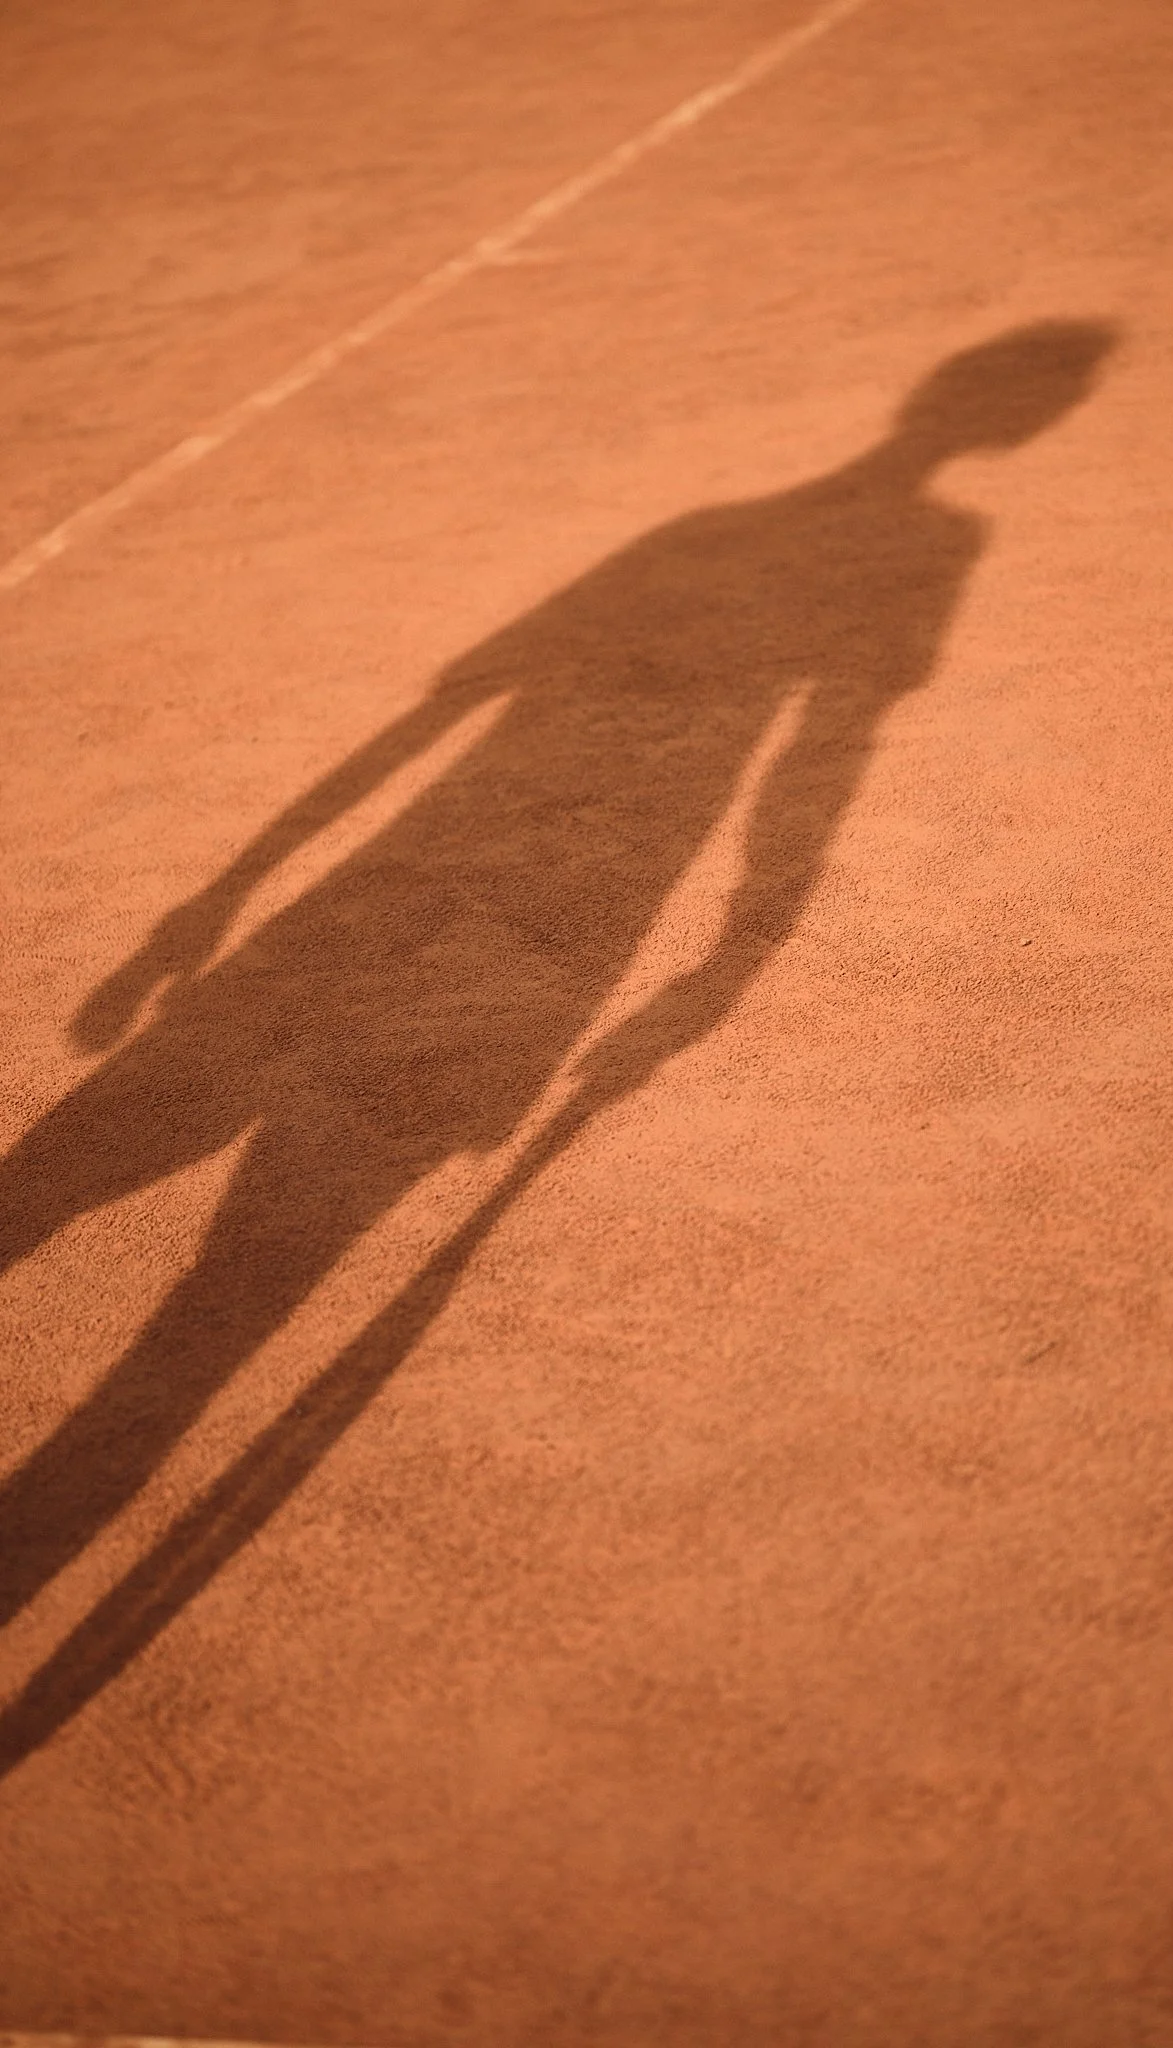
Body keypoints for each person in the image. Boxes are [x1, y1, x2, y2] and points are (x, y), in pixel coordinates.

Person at [0, 320, 1115, 1631]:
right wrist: (733, 952)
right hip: (547, 949)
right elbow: (827, 747)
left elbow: (437, 718)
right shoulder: (929, 553)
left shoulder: (722, 532)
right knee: (195, 1337)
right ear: (1011, 418)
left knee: (56, 1211)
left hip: (358, 915)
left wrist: (220, 894)